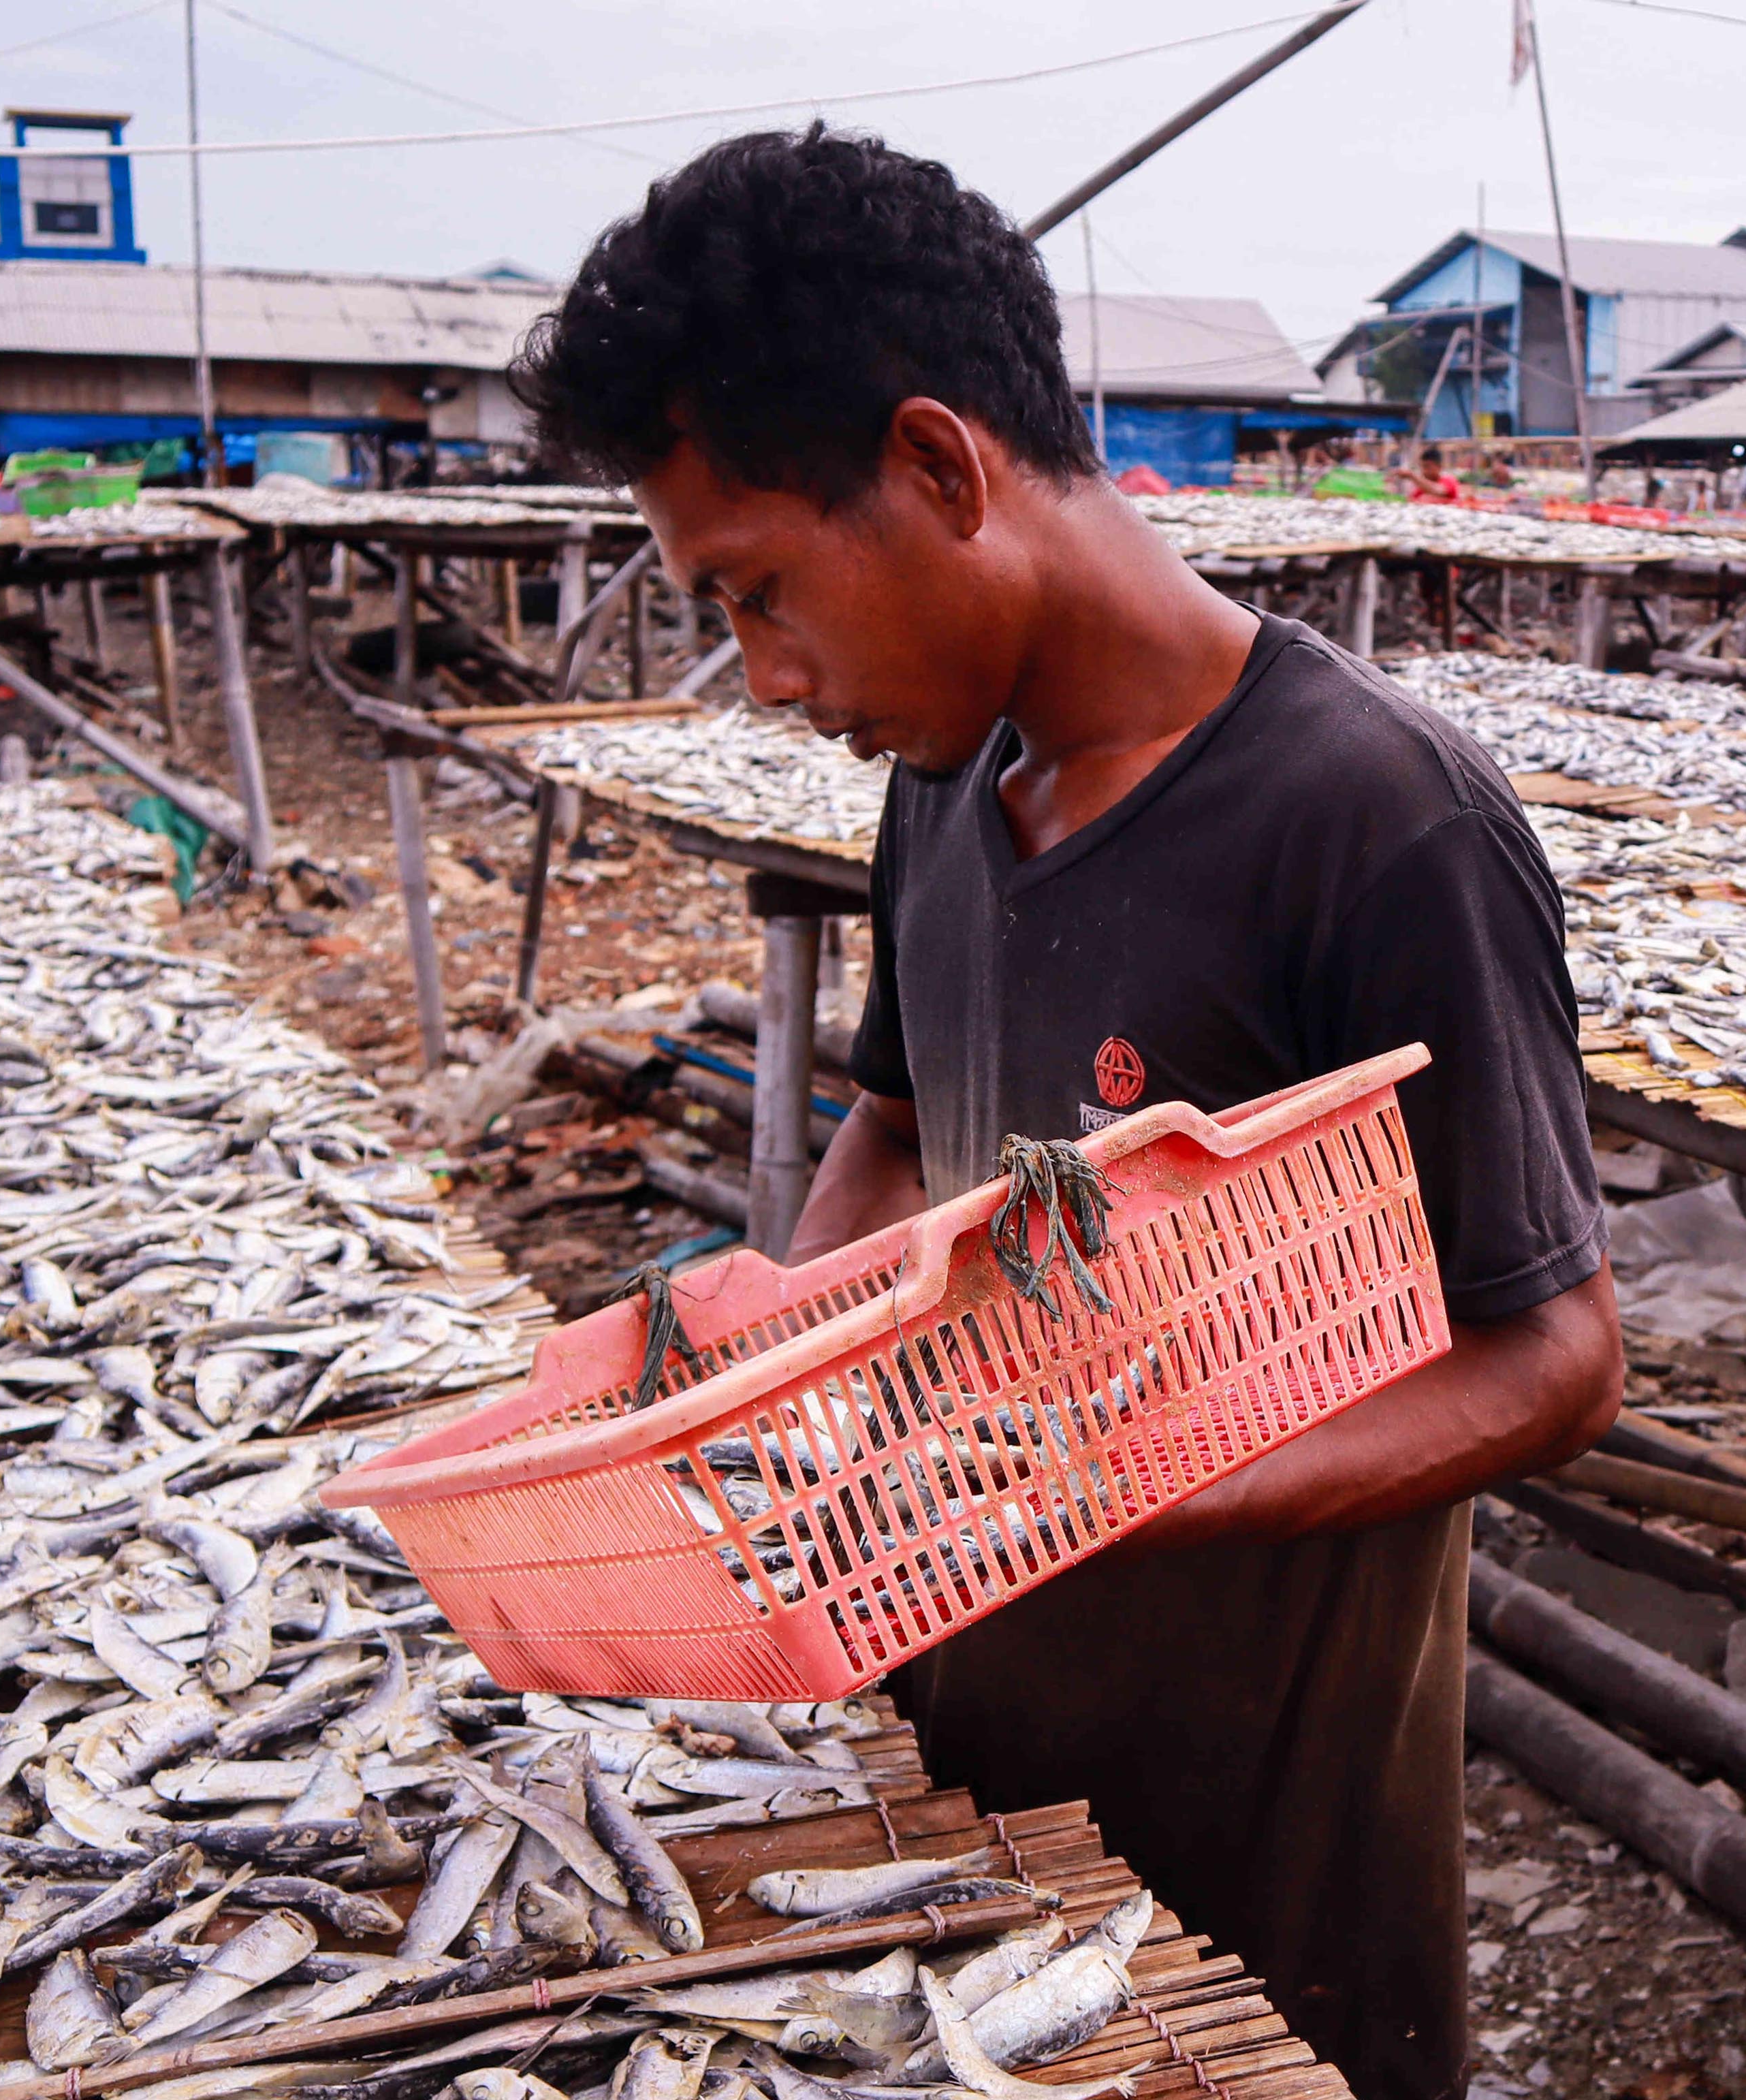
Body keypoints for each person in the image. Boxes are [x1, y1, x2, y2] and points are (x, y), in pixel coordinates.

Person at [509, 127, 1622, 2100]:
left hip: (1266, 1817)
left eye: (761, 593)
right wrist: (785, 1371)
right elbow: (901, 1119)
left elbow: (1552, 1354)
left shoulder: (1378, 823)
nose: (764, 676)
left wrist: (1138, 1485)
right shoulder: (945, 778)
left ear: (940, 468)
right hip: (965, 1723)